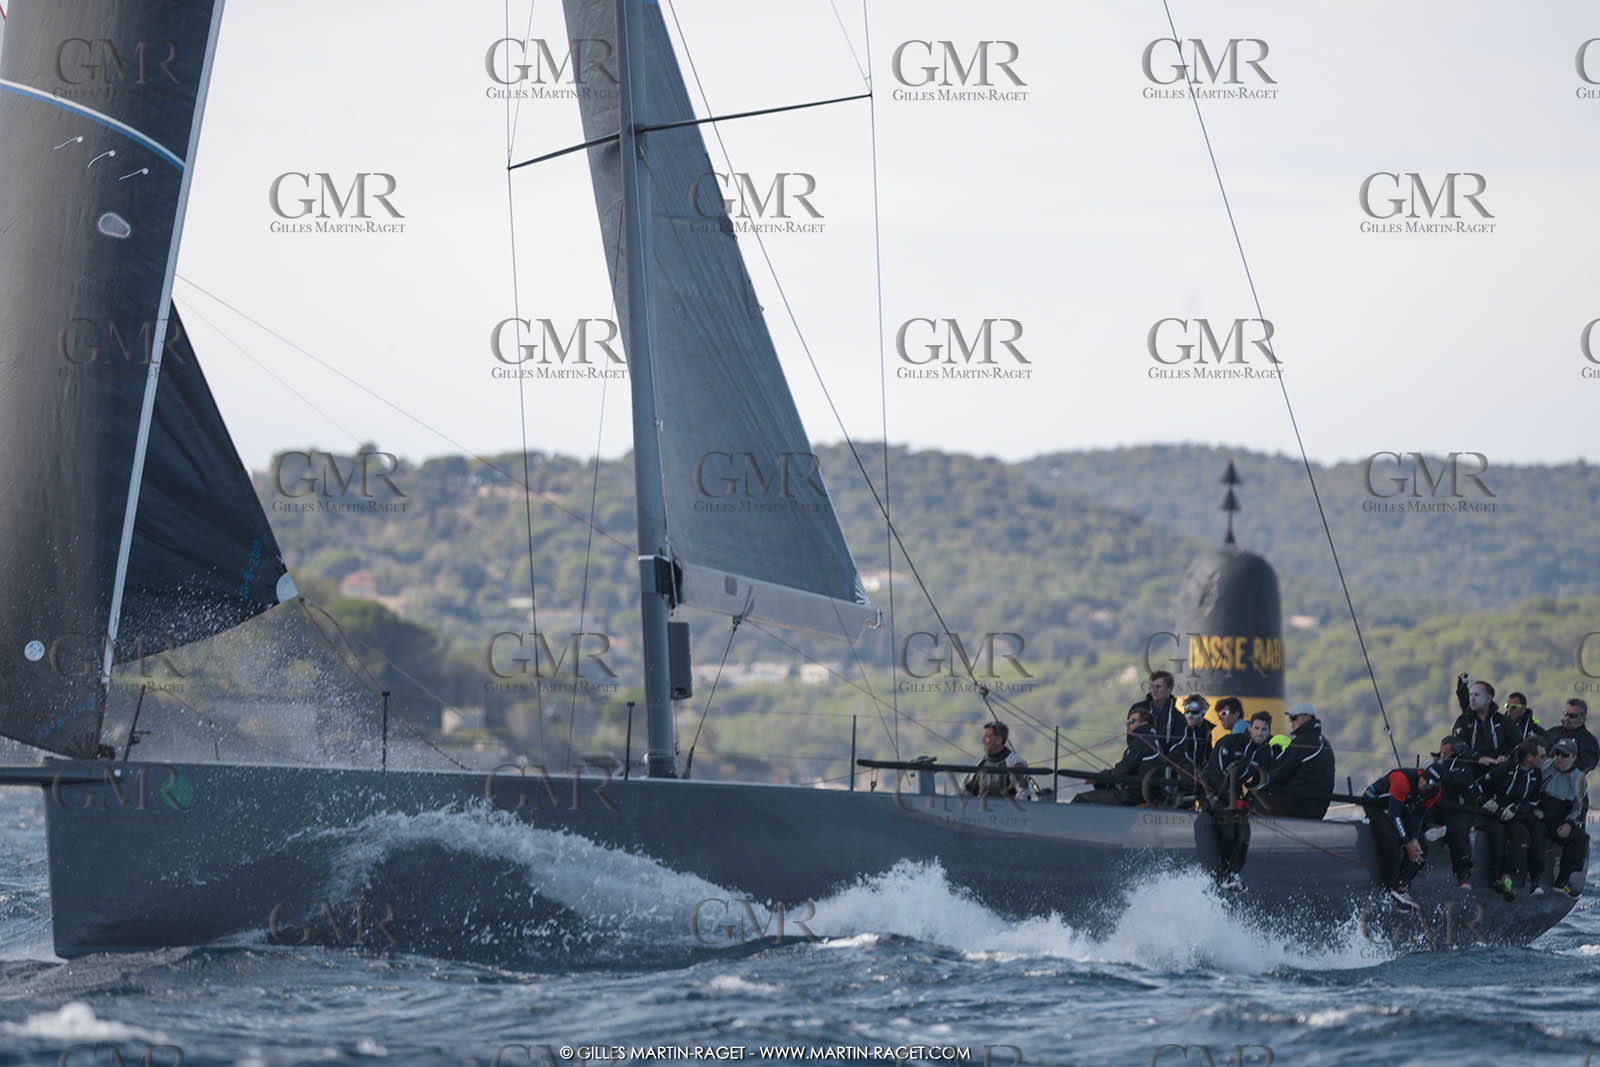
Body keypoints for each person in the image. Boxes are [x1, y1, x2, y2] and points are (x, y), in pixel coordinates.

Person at [1201, 711, 1275, 890]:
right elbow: (1213, 772)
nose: (1259, 733)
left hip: (1233, 797)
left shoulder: (1265, 753)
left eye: (1264, 729)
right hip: (1210, 791)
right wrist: (1230, 797)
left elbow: (1261, 782)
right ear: (1249, 728)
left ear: (1268, 731)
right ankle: (1220, 874)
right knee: (1228, 826)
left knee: (1244, 832)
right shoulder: (1230, 742)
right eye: (1256, 728)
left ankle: (1232, 874)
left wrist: (1249, 801)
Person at [1362, 765, 1442, 911]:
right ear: (1421, 774)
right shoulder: (1402, 780)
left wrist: (1414, 839)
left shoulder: (1435, 792)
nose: (1423, 783)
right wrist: (1407, 842)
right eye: (1423, 778)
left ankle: (1403, 884)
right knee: (1391, 839)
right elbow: (1393, 816)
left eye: (1429, 783)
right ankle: (1391, 886)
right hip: (1376, 803)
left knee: (1421, 847)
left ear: (1436, 785)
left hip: (1398, 804)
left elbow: (1418, 815)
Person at [1477, 737, 1547, 900]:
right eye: (1542, 756)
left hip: (1513, 815)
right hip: (1491, 814)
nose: (1545, 759)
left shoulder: (1537, 774)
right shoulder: (1504, 768)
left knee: (1522, 834)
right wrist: (1485, 802)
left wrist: (1517, 808)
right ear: (1529, 757)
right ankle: (1495, 877)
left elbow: (1533, 802)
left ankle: (1506, 877)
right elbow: (1478, 788)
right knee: (1498, 833)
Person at [1255, 702, 1335, 820]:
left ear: (1306, 718)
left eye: (1293, 718)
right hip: (1319, 807)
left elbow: (1279, 774)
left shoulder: (1303, 741)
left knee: (1257, 800)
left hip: (1300, 806)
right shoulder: (1324, 742)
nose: (1291, 722)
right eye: (1290, 719)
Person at [1422, 735, 1481, 888]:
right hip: (1440, 807)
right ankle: (1431, 828)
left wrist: (1440, 776)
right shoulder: (1438, 764)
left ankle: (1463, 875)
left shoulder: (1465, 766)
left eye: (1446, 754)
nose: (1442, 756)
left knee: (1458, 831)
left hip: (1460, 809)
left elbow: (1461, 780)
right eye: (1441, 752)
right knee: (1421, 813)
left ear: (1455, 753)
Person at [1075, 708, 1162, 806]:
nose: (1128, 725)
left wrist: (1098, 778)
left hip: (1133, 796)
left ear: (1144, 723)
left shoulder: (1141, 742)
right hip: (1149, 795)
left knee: (1080, 799)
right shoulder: (1154, 741)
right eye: (1127, 722)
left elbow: (1122, 771)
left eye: (1131, 721)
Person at [1538, 738, 1589, 897]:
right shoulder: (1544, 766)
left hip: (1558, 821)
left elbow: (1578, 809)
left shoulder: (1579, 779)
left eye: (1564, 755)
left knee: (1581, 838)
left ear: (1574, 757)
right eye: (1557, 753)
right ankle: (1530, 878)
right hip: (1537, 815)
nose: (1558, 758)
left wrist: (1569, 824)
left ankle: (1563, 882)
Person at [962, 721, 1034, 799]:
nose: (983, 740)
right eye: (984, 736)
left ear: (999, 740)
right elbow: (967, 790)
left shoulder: (1015, 763)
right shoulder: (980, 761)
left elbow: (1024, 794)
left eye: (987, 737)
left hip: (1006, 806)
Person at [1451, 673, 1510, 765]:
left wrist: (1506, 756)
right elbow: (1457, 744)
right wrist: (1478, 758)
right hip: (1470, 767)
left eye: (1477, 695)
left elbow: (1517, 745)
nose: (1472, 698)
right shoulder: (1464, 720)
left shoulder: (1503, 721)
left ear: (1489, 698)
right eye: (1471, 695)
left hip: (1497, 767)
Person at [1168, 695, 1214, 802]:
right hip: (1182, 780)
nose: (1189, 715)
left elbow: (1208, 756)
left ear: (1203, 713)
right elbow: (1174, 755)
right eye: (1187, 712)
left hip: (1199, 780)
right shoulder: (1182, 730)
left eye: (1194, 712)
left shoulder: (1207, 731)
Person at [1129, 670, 1183, 753]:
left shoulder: (1178, 717)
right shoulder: (1137, 709)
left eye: (1158, 687)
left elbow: (1179, 744)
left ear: (1170, 689)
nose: (1153, 690)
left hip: (1167, 759)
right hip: (1141, 757)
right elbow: (1130, 737)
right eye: (1151, 687)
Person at [1543, 699, 1599, 774]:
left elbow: (1587, 765)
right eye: (1566, 714)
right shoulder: (1552, 732)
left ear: (1583, 718)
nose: (1567, 718)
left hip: (1568, 779)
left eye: (1572, 716)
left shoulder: (1589, 742)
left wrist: (1562, 765)